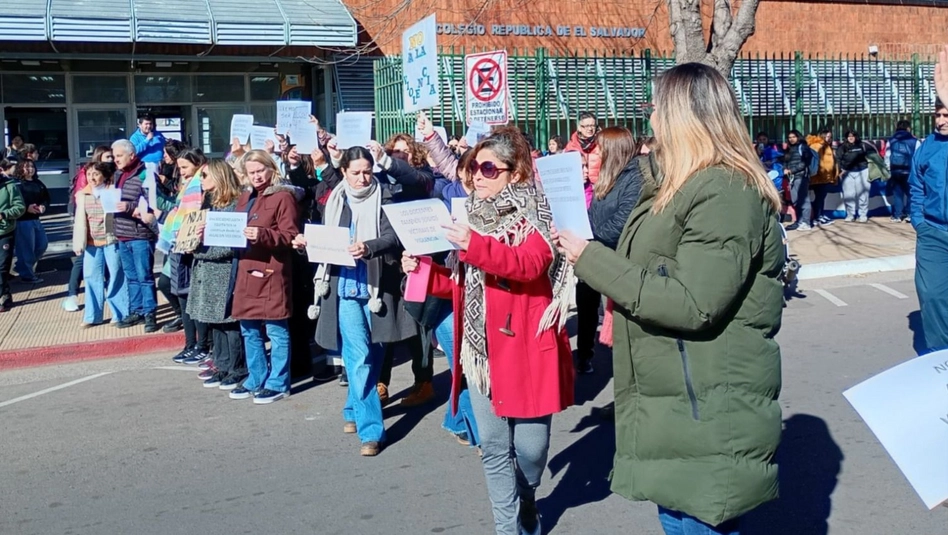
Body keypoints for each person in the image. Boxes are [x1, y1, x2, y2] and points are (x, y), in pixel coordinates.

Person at [558, 63, 784, 535]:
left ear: (685, 115)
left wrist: (590, 259)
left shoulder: (723, 189)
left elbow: (691, 301)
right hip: (680, 401)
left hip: (705, 402)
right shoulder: (677, 182)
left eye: (658, 106)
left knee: (697, 523)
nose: (652, 116)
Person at [403, 126, 575, 535]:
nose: (476, 176)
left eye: (486, 168)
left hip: (527, 350)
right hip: (480, 353)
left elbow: (528, 266)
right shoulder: (470, 219)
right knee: (494, 448)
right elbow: (462, 285)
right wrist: (424, 272)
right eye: (471, 169)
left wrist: (473, 244)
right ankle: (506, 527)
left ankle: (528, 493)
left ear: (513, 174)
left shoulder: (535, 215)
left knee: (531, 451)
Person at [299, 146, 411, 456]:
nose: (363, 178)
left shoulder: (386, 195)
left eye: (367, 171)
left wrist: (370, 247)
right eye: (355, 172)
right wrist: (304, 242)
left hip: (377, 288)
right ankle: (371, 431)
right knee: (359, 356)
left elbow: (393, 237)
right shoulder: (335, 198)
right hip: (344, 290)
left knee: (372, 355)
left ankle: (352, 408)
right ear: (344, 172)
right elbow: (323, 237)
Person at [228, 150, 300, 404]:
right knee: (248, 328)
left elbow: (290, 236)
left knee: (275, 329)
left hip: (271, 271)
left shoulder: (283, 197)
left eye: (261, 170)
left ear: (272, 169)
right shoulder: (246, 196)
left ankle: (278, 382)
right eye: (252, 172)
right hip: (246, 269)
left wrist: (262, 235)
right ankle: (256, 377)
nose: (257, 176)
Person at [368, 134, 432, 407]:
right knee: (387, 322)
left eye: (404, 152)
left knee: (418, 324)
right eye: (394, 152)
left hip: (417, 259)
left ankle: (424, 381)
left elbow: (411, 177)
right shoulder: (380, 181)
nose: (399, 156)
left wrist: (386, 161)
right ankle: (382, 382)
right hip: (389, 260)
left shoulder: (423, 176)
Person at [576, 127, 645, 374]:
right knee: (585, 306)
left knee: (620, 318)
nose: (596, 152)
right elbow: (594, 213)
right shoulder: (606, 176)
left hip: (616, 257)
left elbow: (623, 221)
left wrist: (590, 236)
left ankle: (628, 371)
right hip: (594, 252)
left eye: (601, 147)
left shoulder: (634, 177)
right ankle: (584, 354)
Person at [188, 160, 247, 390]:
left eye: (204, 175)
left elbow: (232, 243)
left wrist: (202, 250)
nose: (201, 180)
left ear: (218, 176)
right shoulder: (209, 202)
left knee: (229, 323)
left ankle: (238, 367)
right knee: (215, 322)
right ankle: (222, 365)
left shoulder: (234, 203)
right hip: (207, 270)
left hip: (223, 270)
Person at [910, 50, 948, 353]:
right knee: (931, 294)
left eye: (947, 113)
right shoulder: (927, 146)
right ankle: (940, 360)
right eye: (937, 113)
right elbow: (917, 186)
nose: (941, 119)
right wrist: (920, 222)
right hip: (934, 232)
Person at [159, 148, 211, 366]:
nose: (181, 172)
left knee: (189, 296)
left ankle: (201, 345)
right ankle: (190, 344)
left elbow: (196, 213)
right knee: (179, 293)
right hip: (177, 244)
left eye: (185, 167)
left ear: (198, 164)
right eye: (179, 168)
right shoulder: (187, 185)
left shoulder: (200, 184)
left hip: (189, 246)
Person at [111, 139, 160, 332]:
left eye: (119, 156)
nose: (116, 160)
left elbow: (152, 204)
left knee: (144, 276)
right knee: (131, 277)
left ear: (131, 155)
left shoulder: (144, 174)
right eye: (114, 156)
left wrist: (129, 206)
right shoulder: (117, 175)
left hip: (140, 234)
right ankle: (137, 311)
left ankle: (150, 313)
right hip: (122, 233)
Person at [72, 161, 128, 327]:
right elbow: (79, 221)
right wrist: (78, 243)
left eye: (95, 174)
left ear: (104, 175)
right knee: (91, 277)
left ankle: (119, 314)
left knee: (116, 274)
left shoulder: (112, 192)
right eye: (89, 174)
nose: (92, 178)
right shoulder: (82, 195)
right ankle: (92, 316)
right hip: (91, 243)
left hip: (111, 240)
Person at [63, 145, 114, 313]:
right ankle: (72, 294)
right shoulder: (88, 173)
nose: (111, 159)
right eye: (108, 157)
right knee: (81, 261)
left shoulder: (113, 175)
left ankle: (108, 292)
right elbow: (81, 196)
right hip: (89, 227)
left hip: (106, 229)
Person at [12, 159, 50, 283]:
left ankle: (21, 267)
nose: (30, 169)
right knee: (26, 249)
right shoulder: (17, 184)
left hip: (36, 220)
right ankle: (27, 275)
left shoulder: (38, 183)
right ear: (20, 169)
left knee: (42, 245)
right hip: (23, 221)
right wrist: (27, 208)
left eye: (32, 166)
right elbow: (15, 202)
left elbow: (46, 198)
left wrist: (43, 206)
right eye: (26, 167)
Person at [836, 130, 877, 222]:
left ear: (856, 137)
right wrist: (840, 170)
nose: (851, 138)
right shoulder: (842, 147)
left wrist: (871, 167)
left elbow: (874, 156)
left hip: (863, 171)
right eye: (849, 136)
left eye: (853, 136)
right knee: (848, 195)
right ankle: (850, 215)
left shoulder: (863, 145)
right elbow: (838, 159)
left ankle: (863, 215)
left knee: (863, 195)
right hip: (847, 173)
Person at [0, 164, 25, 311]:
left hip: (5, 231)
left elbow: (19, 206)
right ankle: (6, 294)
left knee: (2, 266)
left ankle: (2, 296)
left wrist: (4, 215)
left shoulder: (9, 185)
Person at [565, 112, 602, 207]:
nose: (590, 129)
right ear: (579, 127)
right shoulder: (572, 145)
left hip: (600, 189)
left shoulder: (603, 143)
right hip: (579, 189)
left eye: (592, 125)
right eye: (586, 126)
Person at [886, 120, 919, 222]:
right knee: (910, 193)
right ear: (908, 128)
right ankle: (910, 214)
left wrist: (888, 167)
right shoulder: (914, 140)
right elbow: (918, 155)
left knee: (897, 193)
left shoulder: (891, 140)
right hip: (909, 170)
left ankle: (898, 215)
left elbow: (887, 155)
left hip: (895, 169)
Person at [782, 129, 814, 231]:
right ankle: (800, 221)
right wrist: (785, 169)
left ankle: (806, 222)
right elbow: (786, 162)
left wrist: (792, 170)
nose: (791, 139)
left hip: (801, 177)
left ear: (798, 137)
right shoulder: (789, 149)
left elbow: (805, 162)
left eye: (793, 137)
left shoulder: (803, 147)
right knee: (795, 200)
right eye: (789, 137)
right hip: (792, 178)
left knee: (804, 200)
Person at [806, 129, 837, 226]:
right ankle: (817, 217)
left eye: (830, 137)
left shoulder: (826, 145)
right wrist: (819, 173)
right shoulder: (817, 146)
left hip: (825, 176)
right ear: (822, 136)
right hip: (819, 177)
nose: (830, 138)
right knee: (819, 197)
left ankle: (820, 215)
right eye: (828, 136)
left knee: (821, 197)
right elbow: (815, 162)